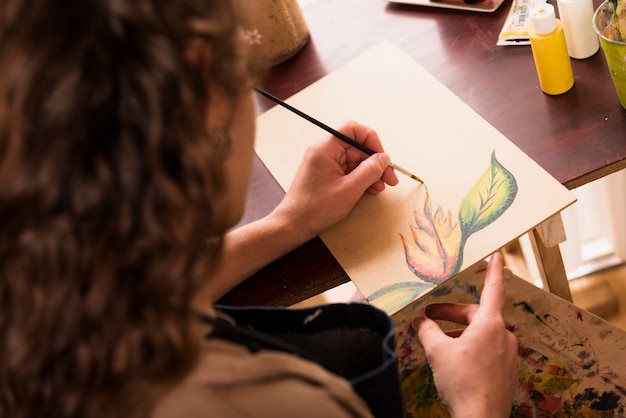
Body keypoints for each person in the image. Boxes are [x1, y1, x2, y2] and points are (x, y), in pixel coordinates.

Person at [0, 0, 518, 417]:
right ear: (206, 93)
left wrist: (289, 223)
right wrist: (480, 402)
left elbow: (134, 295)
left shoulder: (39, 286)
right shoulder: (274, 400)